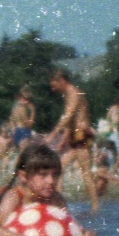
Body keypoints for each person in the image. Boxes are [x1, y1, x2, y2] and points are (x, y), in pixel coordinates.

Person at [46, 69, 99, 212]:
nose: (52, 88)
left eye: (54, 84)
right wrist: (63, 139)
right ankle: (57, 204)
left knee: (85, 172)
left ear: (61, 81)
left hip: (82, 134)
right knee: (59, 168)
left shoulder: (74, 93)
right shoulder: (68, 94)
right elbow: (71, 120)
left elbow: (68, 116)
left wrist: (53, 133)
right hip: (75, 135)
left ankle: (95, 208)